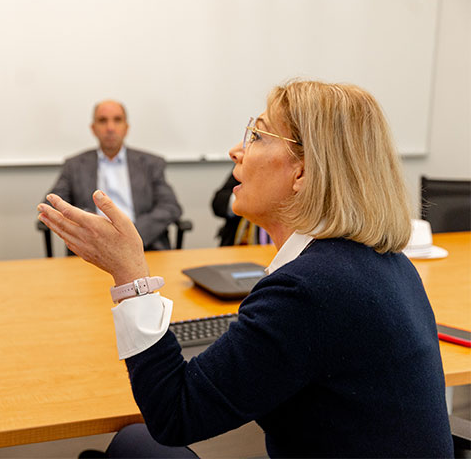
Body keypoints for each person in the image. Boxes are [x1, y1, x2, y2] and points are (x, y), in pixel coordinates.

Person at [38, 80, 453, 457]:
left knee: (136, 444)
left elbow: (174, 413)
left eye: (257, 135)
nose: (236, 151)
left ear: (303, 173)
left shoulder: (308, 289)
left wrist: (131, 277)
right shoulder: (386, 262)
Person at [46, 100, 181, 250]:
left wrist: (132, 235)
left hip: (144, 246)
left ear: (126, 127)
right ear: (93, 128)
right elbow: (52, 205)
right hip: (91, 248)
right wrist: (88, 223)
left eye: (117, 120)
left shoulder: (150, 164)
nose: (110, 128)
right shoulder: (74, 165)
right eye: (103, 121)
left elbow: (170, 207)